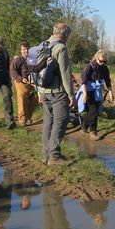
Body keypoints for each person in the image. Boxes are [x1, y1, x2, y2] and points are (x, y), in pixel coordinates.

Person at [37, 23, 75, 165]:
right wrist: (71, 95)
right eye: (68, 35)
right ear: (63, 34)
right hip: (58, 92)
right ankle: (54, 156)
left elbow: (35, 70)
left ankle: (45, 155)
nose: (68, 38)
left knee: (48, 122)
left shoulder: (42, 45)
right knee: (60, 121)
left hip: (43, 91)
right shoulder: (61, 48)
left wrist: (39, 91)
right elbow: (65, 74)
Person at [80, 50, 114, 140]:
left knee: (92, 111)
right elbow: (83, 82)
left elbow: (107, 81)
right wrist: (84, 94)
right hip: (88, 91)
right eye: (101, 61)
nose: (103, 63)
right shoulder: (89, 67)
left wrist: (111, 92)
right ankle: (93, 132)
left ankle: (83, 127)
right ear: (96, 58)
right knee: (93, 111)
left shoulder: (105, 69)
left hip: (98, 92)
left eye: (105, 61)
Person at [10, 40, 37, 126]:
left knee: (34, 101)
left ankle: (28, 117)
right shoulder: (18, 60)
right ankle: (22, 120)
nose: (26, 51)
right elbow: (13, 71)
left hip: (32, 83)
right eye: (24, 49)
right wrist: (21, 79)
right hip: (21, 82)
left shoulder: (33, 59)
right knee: (22, 102)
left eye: (27, 49)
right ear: (21, 50)